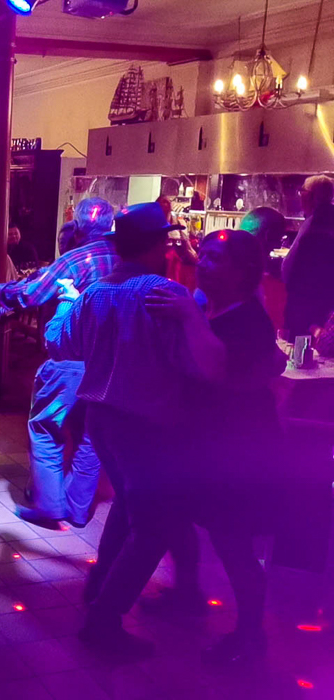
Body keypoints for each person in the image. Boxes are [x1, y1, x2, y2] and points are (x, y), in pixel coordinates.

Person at [47, 202, 225, 657]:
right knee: (153, 529)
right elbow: (201, 368)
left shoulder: (93, 293)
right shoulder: (165, 294)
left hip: (101, 420)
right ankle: (103, 622)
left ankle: (98, 588)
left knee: (128, 507)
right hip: (148, 424)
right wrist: (194, 318)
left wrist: (66, 301)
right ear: (155, 245)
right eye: (164, 241)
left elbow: (59, 343)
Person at [147, 229, 286, 665]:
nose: (203, 264)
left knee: (233, 543)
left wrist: (189, 317)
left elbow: (216, 371)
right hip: (202, 442)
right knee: (176, 516)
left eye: (216, 258)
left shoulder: (248, 320)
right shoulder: (213, 306)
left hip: (238, 450)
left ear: (244, 271)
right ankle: (188, 594)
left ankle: (250, 637)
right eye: (203, 255)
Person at [0, 198, 118, 528]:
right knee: (89, 436)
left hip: (72, 358)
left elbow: (32, 294)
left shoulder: (75, 260)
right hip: (111, 364)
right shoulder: (125, 258)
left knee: (45, 429)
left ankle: (51, 508)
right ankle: (78, 509)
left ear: (78, 227)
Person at [282, 174, 334, 336]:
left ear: (310, 196)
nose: (300, 196)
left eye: (302, 192)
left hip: (306, 301)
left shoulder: (314, 222)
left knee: (300, 342)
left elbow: (291, 266)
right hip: (326, 299)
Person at [240, 206, 287, 331]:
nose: (279, 244)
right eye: (280, 238)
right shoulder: (272, 286)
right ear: (269, 236)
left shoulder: (221, 271)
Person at [157, 195, 198, 292]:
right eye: (163, 202)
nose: (166, 204)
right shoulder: (154, 224)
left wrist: (196, 259)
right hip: (159, 267)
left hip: (176, 269)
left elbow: (188, 247)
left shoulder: (180, 223)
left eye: (168, 202)